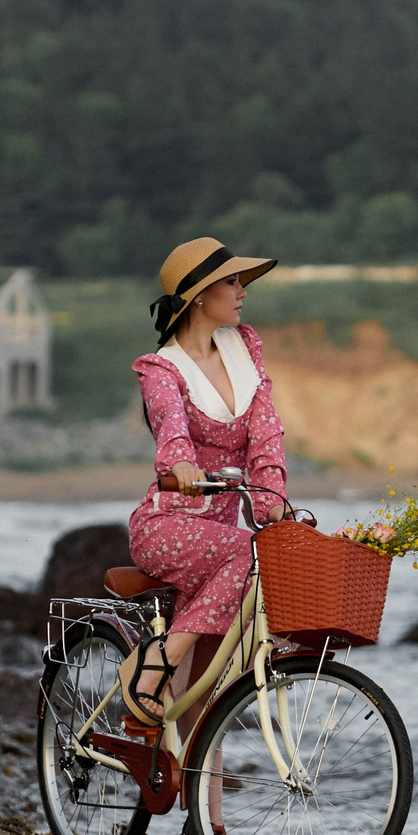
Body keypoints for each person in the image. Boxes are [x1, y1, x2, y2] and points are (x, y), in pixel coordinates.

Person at [118, 239, 289, 773]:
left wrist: (274, 505)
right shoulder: (161, 368)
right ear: (197, 297)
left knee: (208, 697)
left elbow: (266, 439)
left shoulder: (246, 350)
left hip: (224, 544)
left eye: (242, 282)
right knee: (246, 552)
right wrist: (179, 469)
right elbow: (170, 425)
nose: (242, 292)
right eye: (231, 282)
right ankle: (154, 664)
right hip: (168, 526)